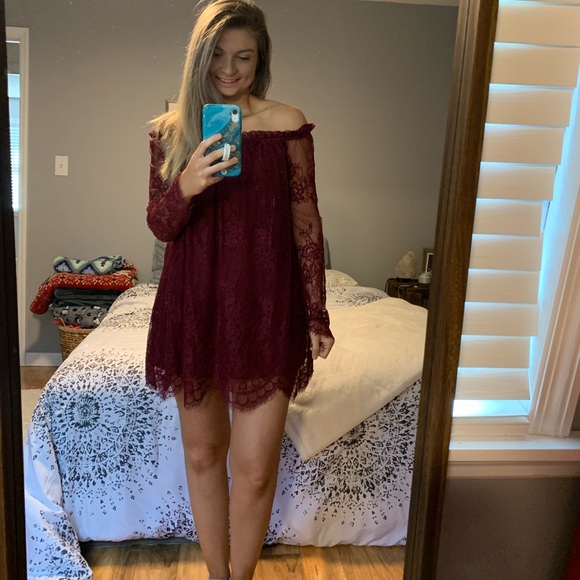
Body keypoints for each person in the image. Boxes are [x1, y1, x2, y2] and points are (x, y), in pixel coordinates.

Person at [145, 1, 334, 578]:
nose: (229, 69)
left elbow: (305, 221)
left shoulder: (286, 123)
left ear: (261, 60)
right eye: (218, 56)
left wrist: (316, 312)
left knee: (254, 471)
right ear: (199, 58)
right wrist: (186, 184)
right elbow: (160, 225)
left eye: (244, 57)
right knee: (203, 454)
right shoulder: (171, 131)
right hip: (194, 304)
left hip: (266, 306)